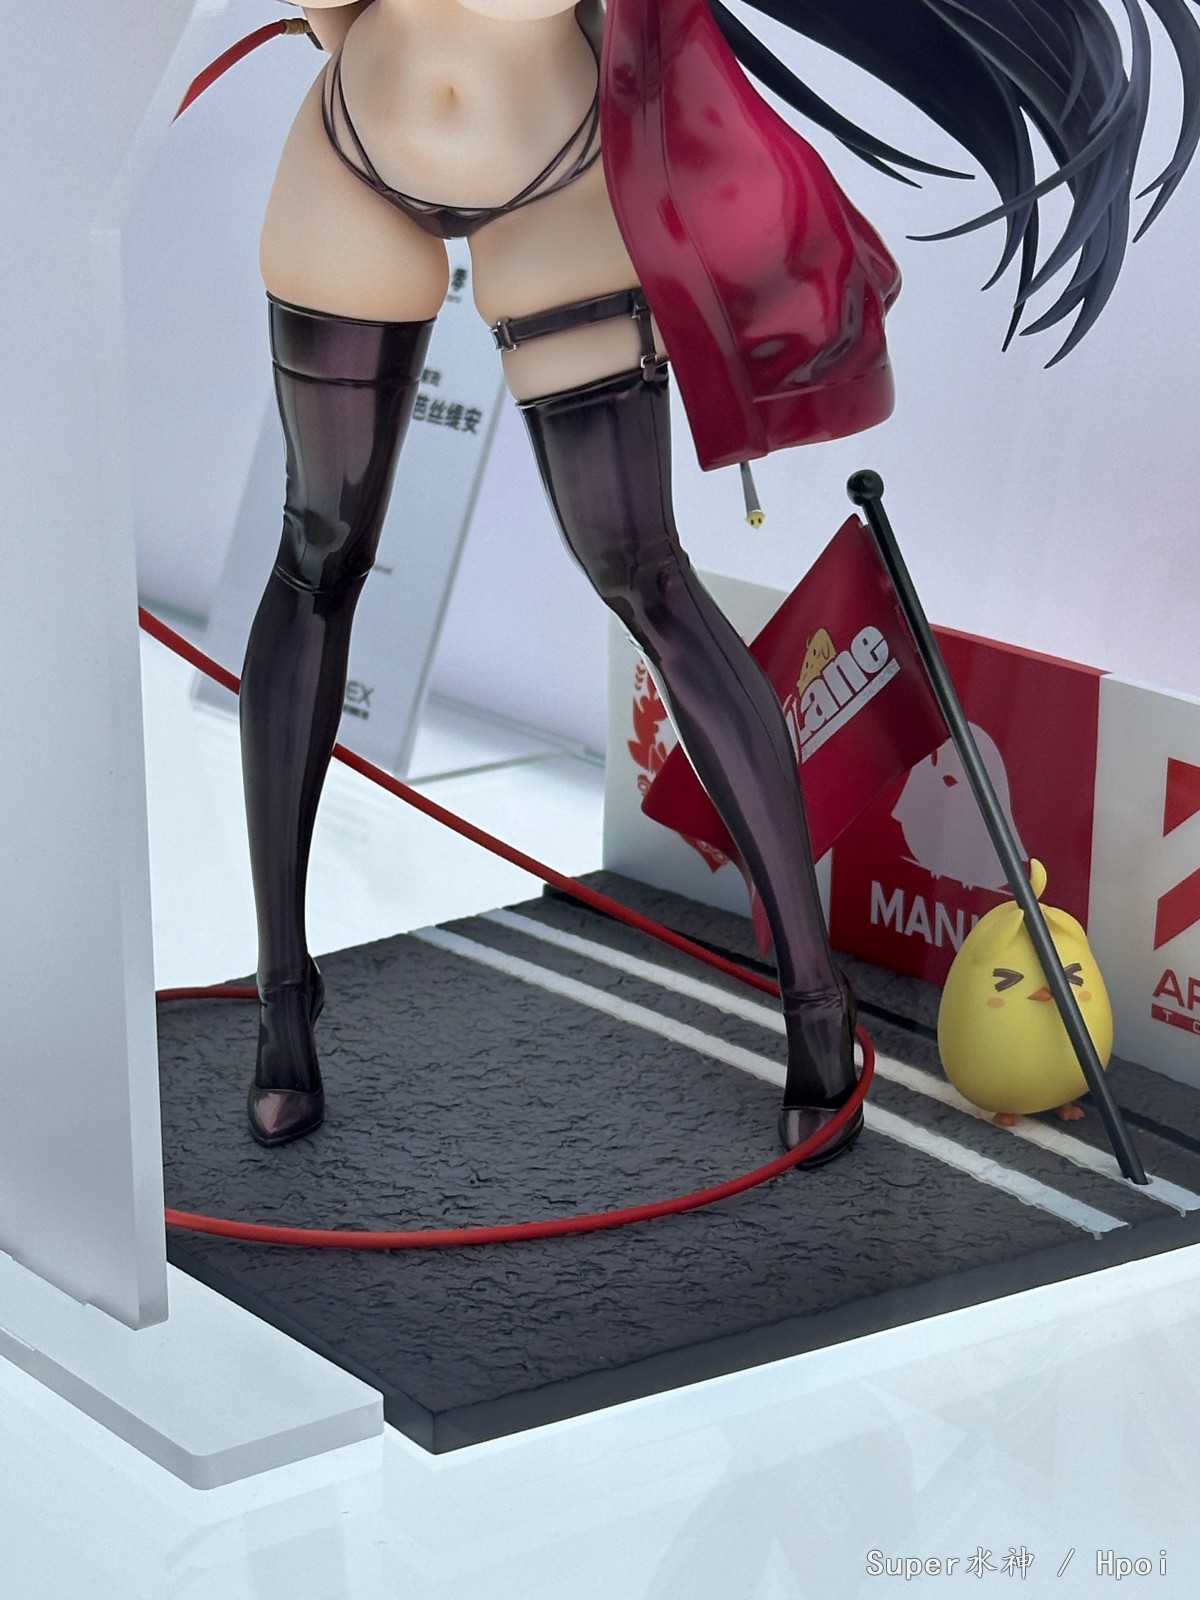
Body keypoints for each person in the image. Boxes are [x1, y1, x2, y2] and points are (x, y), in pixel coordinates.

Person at [241, 0, 1200, 1152]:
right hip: (356, 154)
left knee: (645, 577)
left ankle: (814, 994)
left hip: (555, 181)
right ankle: (282, 994)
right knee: (319, 553)